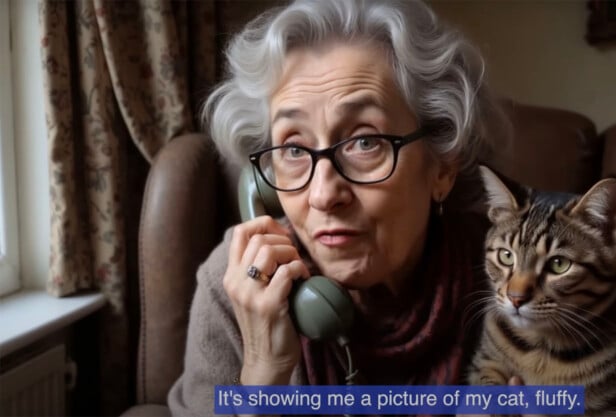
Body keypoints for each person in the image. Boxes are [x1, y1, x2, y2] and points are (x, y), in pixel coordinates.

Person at [168, 0, 509, 414]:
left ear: (442, 166)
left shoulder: (518, 279)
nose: (324, 194)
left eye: (365, 142)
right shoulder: (236, 283)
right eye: (293, 148)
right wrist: (262, 377)